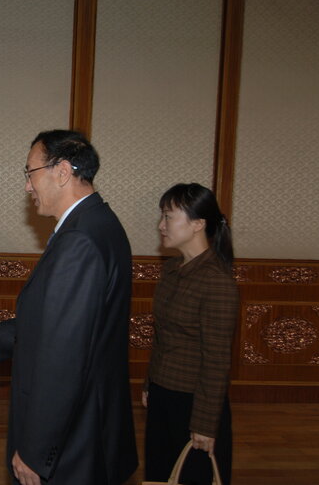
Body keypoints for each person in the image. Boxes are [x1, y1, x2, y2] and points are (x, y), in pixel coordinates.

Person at [0, 130, 138, 485]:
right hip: (89, 421)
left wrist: (36, 451)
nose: (27, 186)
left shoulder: (80, 240)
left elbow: (63, 357)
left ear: (61, 171)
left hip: (73, 437)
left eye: (30, 172)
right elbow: (57, 324)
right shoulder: (98, 223)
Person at [142, 183, 238, 485]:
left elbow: (217, 361)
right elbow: (162, 338)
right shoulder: (171, 270)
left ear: (198, 224)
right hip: (162, 395)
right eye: (162, 216)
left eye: (169, 217)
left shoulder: (217, 282)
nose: (161, 225)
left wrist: (206, 424)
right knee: (159, 476)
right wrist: (150, 384)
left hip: (194, 403)